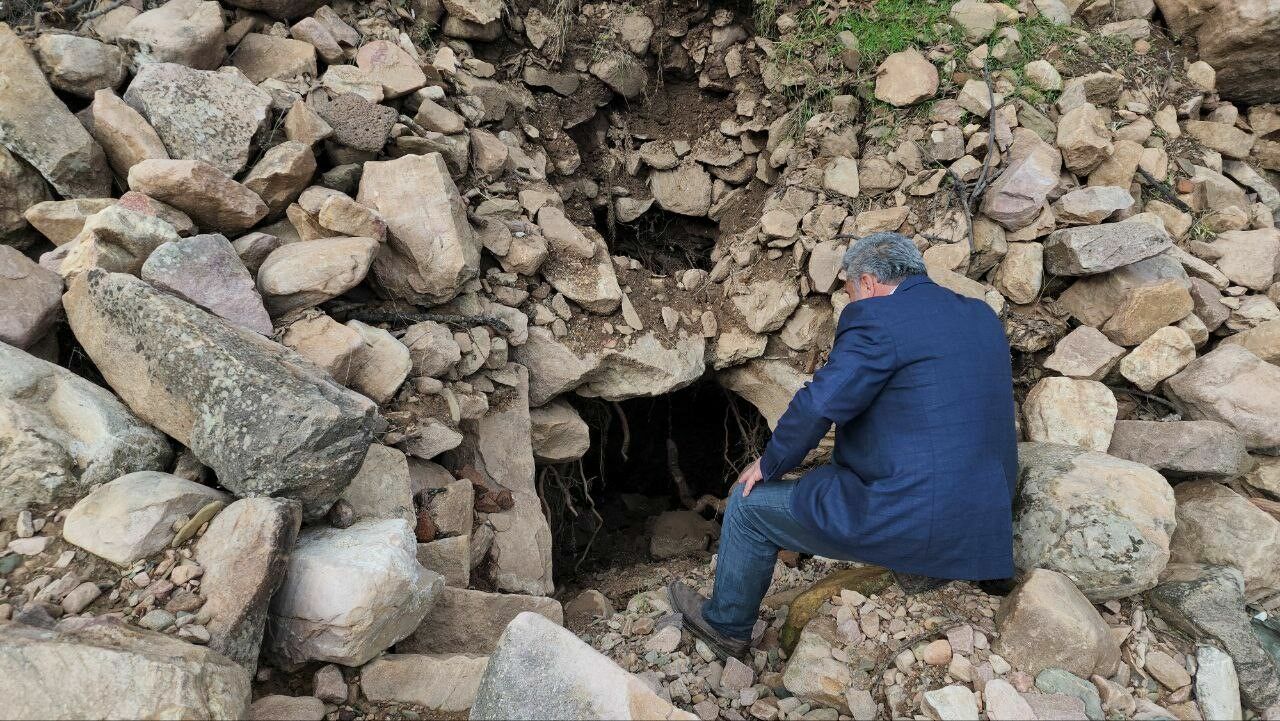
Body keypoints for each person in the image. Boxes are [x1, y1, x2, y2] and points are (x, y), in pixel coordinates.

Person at [670, 232, 1018, 660]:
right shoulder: (980, 316)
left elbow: (822, 402)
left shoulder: (879, 318)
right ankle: (946, 566)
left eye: (850, 291)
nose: (851, 302)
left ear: (868, 284)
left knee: (747, 506)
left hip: (914, 515)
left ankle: (724, 626)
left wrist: (771, 462)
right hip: (985, 523)